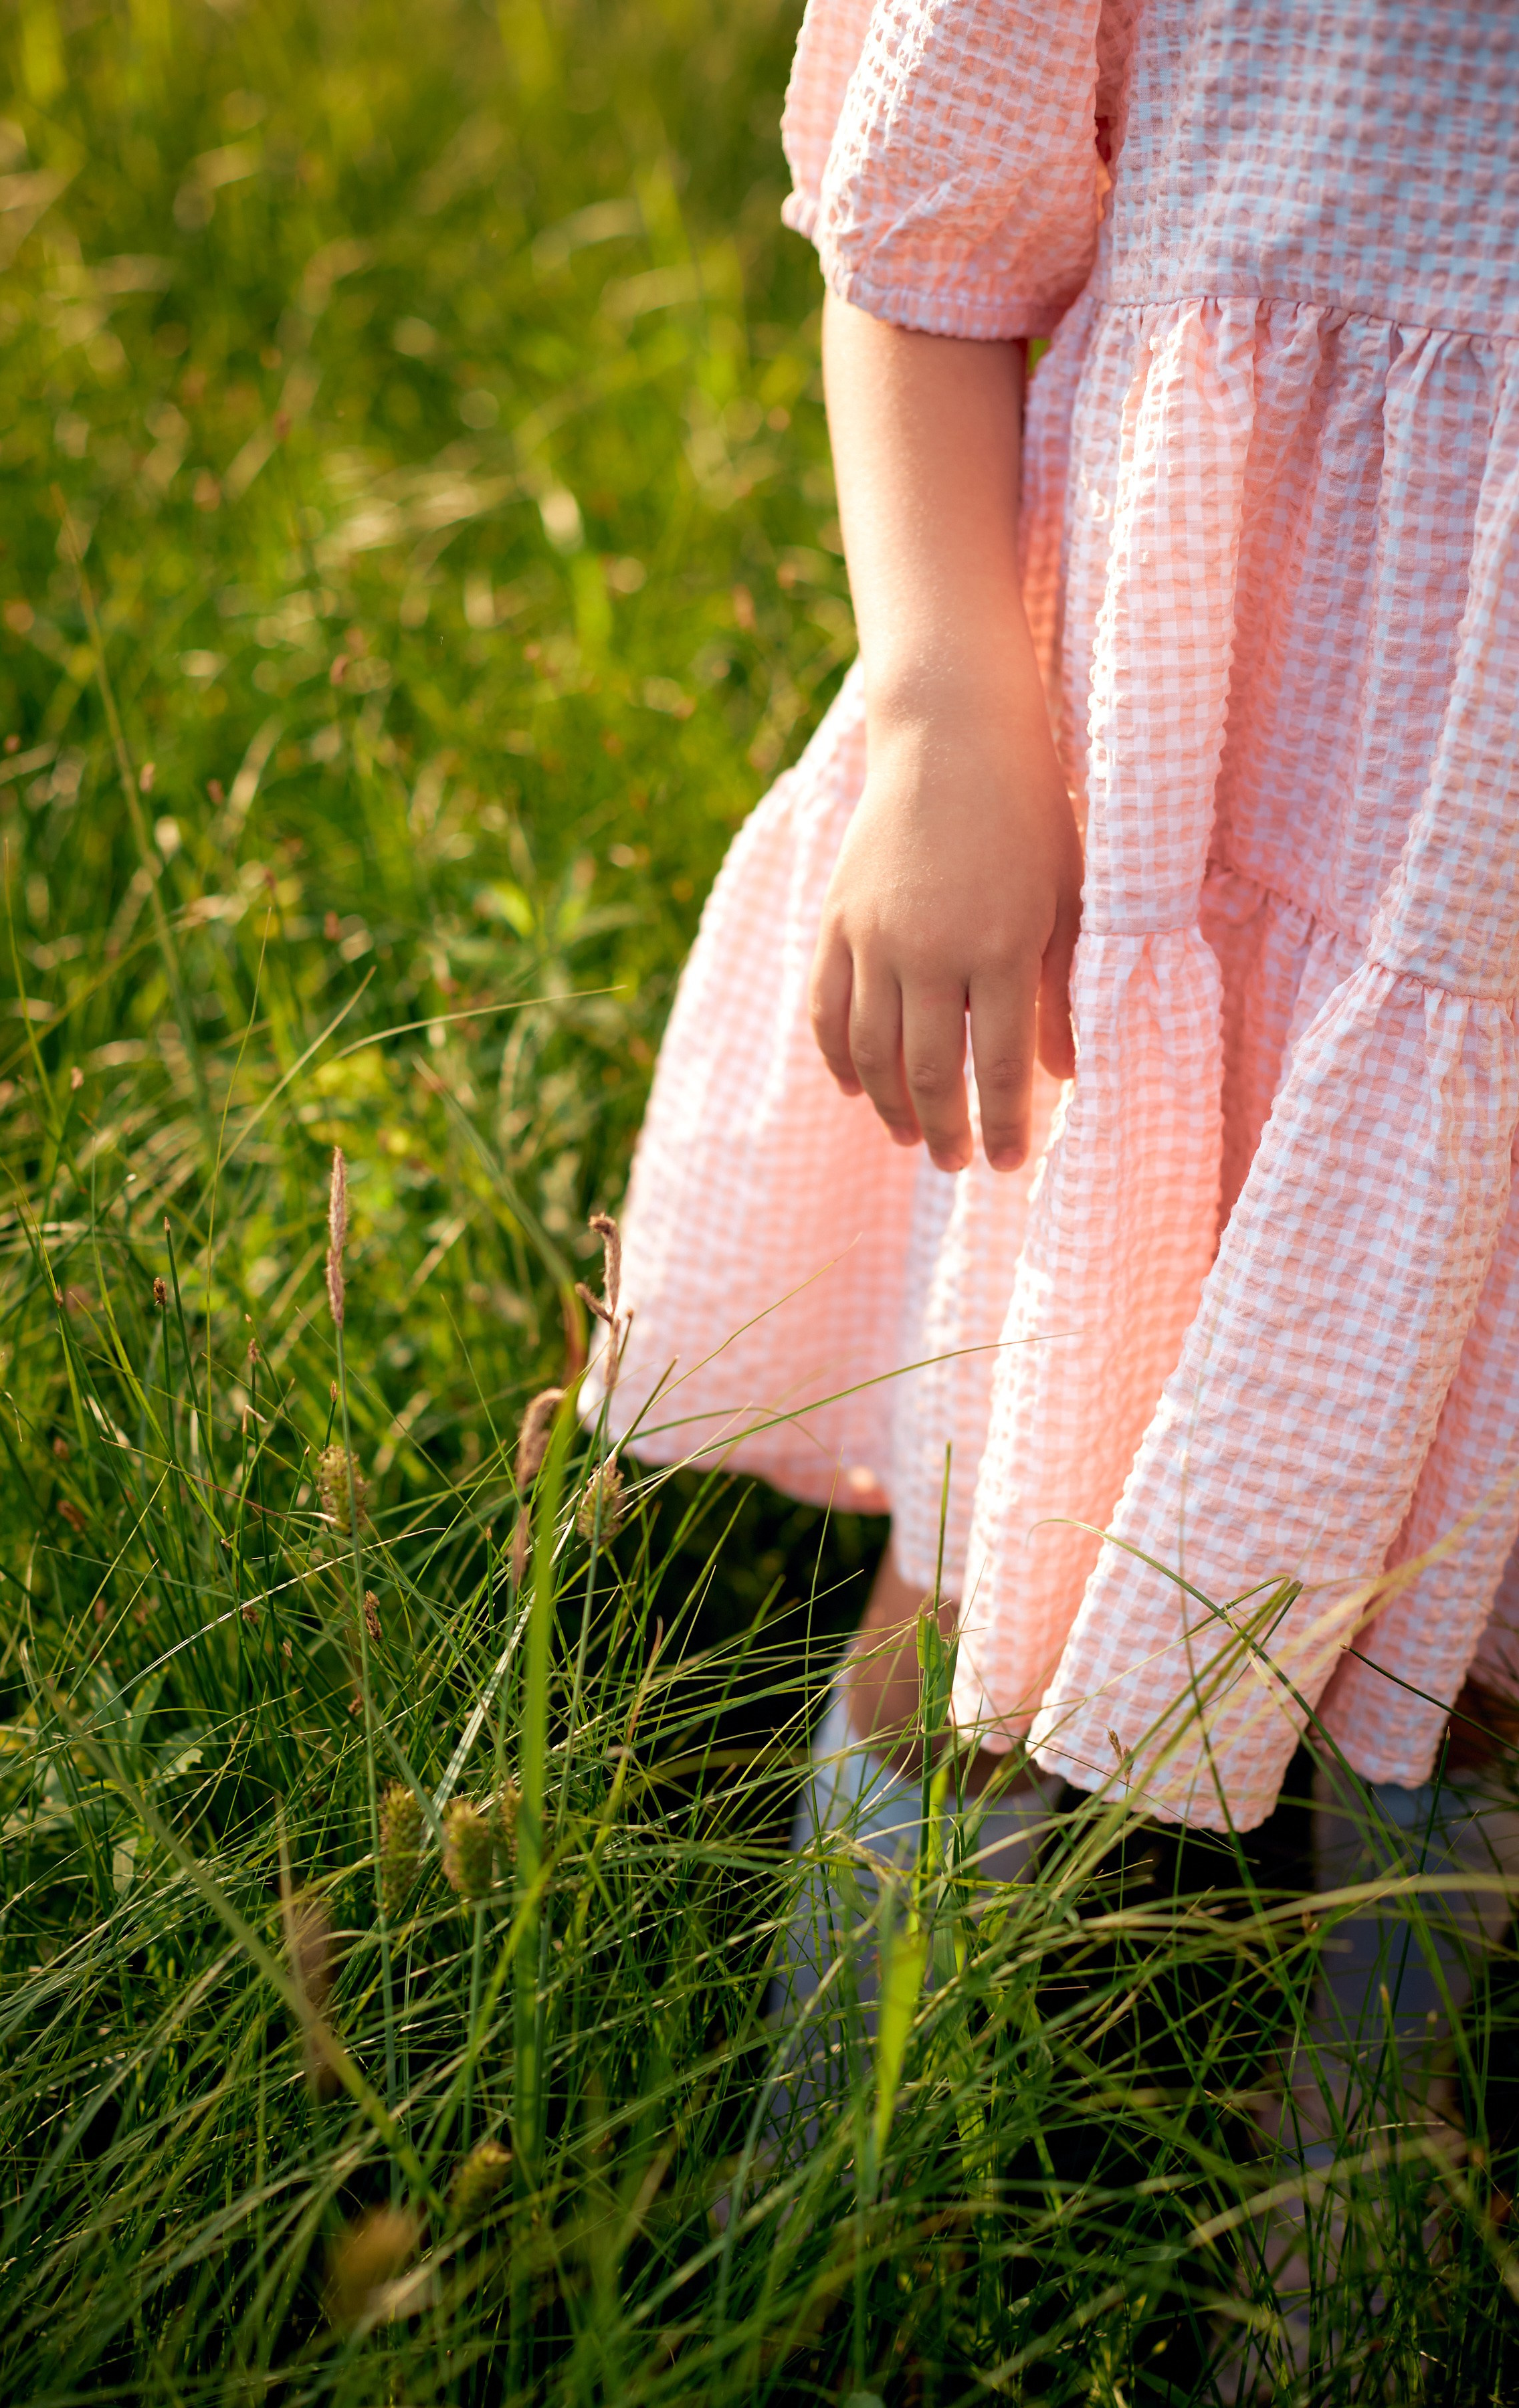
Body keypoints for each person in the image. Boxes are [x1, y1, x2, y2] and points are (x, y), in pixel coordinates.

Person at [586, 0, 1519, 2334]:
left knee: (1478, 1618)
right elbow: (931, 216)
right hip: (1192, 787)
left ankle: (1354, 2220)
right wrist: (947, 708)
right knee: (1002, 1544)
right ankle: (827, 2228)